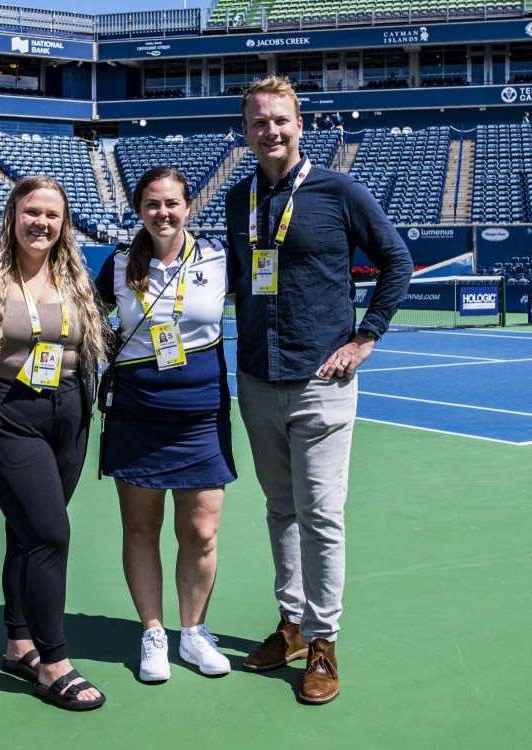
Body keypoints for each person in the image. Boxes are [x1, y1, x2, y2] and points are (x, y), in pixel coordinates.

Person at [224, 75, 412, 705]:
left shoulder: (338, 190)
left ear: (299, 125)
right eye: (258, 122)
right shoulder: (238, 197)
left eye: (280, 120)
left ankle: (325, 641)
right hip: (256, 377)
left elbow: (397, 260)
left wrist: (366, 338)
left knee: (321, 518)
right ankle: (292, 626)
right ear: (245, 131)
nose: (270, 131)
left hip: (321, 382)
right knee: (281, 512)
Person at [0, 175, 109, 711]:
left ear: (64, 224)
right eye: (31, 211)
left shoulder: (76, 276)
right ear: (12, 214)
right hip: (8, 413)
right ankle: (53, 662)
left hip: (69, 414)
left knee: (27, 532)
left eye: (52, 215)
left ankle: (19, 644)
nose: (41, 223)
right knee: (50, 533)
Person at [94, 167, 235, 683]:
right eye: (152, 204)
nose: (163, 213)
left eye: (172, 203)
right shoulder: (116, 265)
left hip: (201, 416)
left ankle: (194, 633)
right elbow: (88, 321)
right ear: (140, 210)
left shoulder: (220, 258)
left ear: (188, 206)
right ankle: (153, 632)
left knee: (200, 531)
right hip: (137, 415)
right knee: (141, 528)